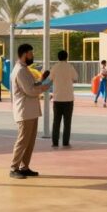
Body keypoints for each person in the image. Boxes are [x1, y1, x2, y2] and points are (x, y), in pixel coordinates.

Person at [10, 43, 50, 178]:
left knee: (29, 141)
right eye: (31, 53)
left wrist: (42, 80)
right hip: (25, 111)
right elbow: (30, 90)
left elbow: (32, 85)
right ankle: (14, 168)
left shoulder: (24, 69)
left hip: (30, 111)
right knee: (22, 141)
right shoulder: (20, 70)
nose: (32, 56)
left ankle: (24, 166)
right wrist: (43, 88)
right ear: (25, 54)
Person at [50, 50, 77, 147]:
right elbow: (75, 78)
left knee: (56, 121)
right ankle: (66, 142)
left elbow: (50, 79)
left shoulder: (55, 67)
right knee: (67, 122)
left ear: (58, 57)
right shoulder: (70, 67)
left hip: (57, 98)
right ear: (66, 57)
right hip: (68, 98)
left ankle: (55, 141)